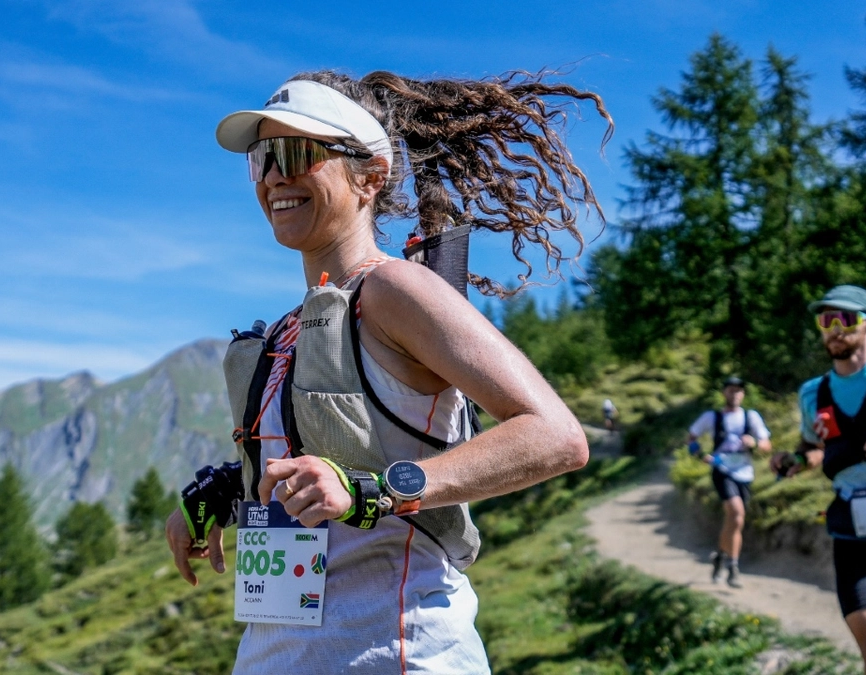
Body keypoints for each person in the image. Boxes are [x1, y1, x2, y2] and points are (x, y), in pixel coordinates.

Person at [163, 70, 610, 673]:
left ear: (370, 175)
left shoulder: (394, 290)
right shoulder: (292, 329)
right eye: (263, 158)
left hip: (396, 652)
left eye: (298, 153)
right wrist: (226, 489)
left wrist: (372, 491)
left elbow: (556, 436)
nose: (274, 176)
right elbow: (325, 456)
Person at [771, 285, 866, 675]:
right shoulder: (812, 393)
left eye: (845, 319)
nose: (834, 329)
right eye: (825, 320)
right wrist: (796, 460)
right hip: (856, 535)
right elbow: (818, 447)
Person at [686, 376, 772, 588]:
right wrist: (700, 455)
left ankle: (721, 556)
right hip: (722, 469)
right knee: (736, 513)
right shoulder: (711, 416)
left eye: (738, 390)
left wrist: (754, 443)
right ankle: (733, 567)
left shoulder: (751, 417)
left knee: (735, 520)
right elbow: (691, 438)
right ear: (724, 392)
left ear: (743, 394)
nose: (734, 394)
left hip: (744, 471)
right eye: (731, 390)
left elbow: (766, 444)